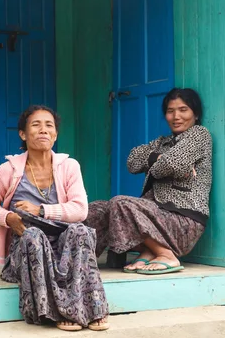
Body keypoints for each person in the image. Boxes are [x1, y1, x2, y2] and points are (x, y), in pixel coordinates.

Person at [0, 105, 109, 332]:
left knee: (80, 231)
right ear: (23, 134)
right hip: (27, 250)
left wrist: (41, 210)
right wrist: (8, 217)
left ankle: (92, 309)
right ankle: (57, 312)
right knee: (34, 235)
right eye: (36, 125)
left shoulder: (69, 166)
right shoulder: (7, 170)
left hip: (65, 250)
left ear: (56, 135)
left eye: (49, 126)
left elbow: (80, 210)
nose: (43, 130)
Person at [85, 88, 212, 275]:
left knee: (121, 203)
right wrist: (159, 157)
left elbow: (170, 165)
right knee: (95, 209)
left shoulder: (199, 135)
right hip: (157, 217)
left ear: (196, 113)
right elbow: (132, 161)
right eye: (170, 111)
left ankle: (166, 254)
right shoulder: (163, 142)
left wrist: (161, 161)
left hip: (182, 221)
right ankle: (83, 259)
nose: (176, 116)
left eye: (183, 109)